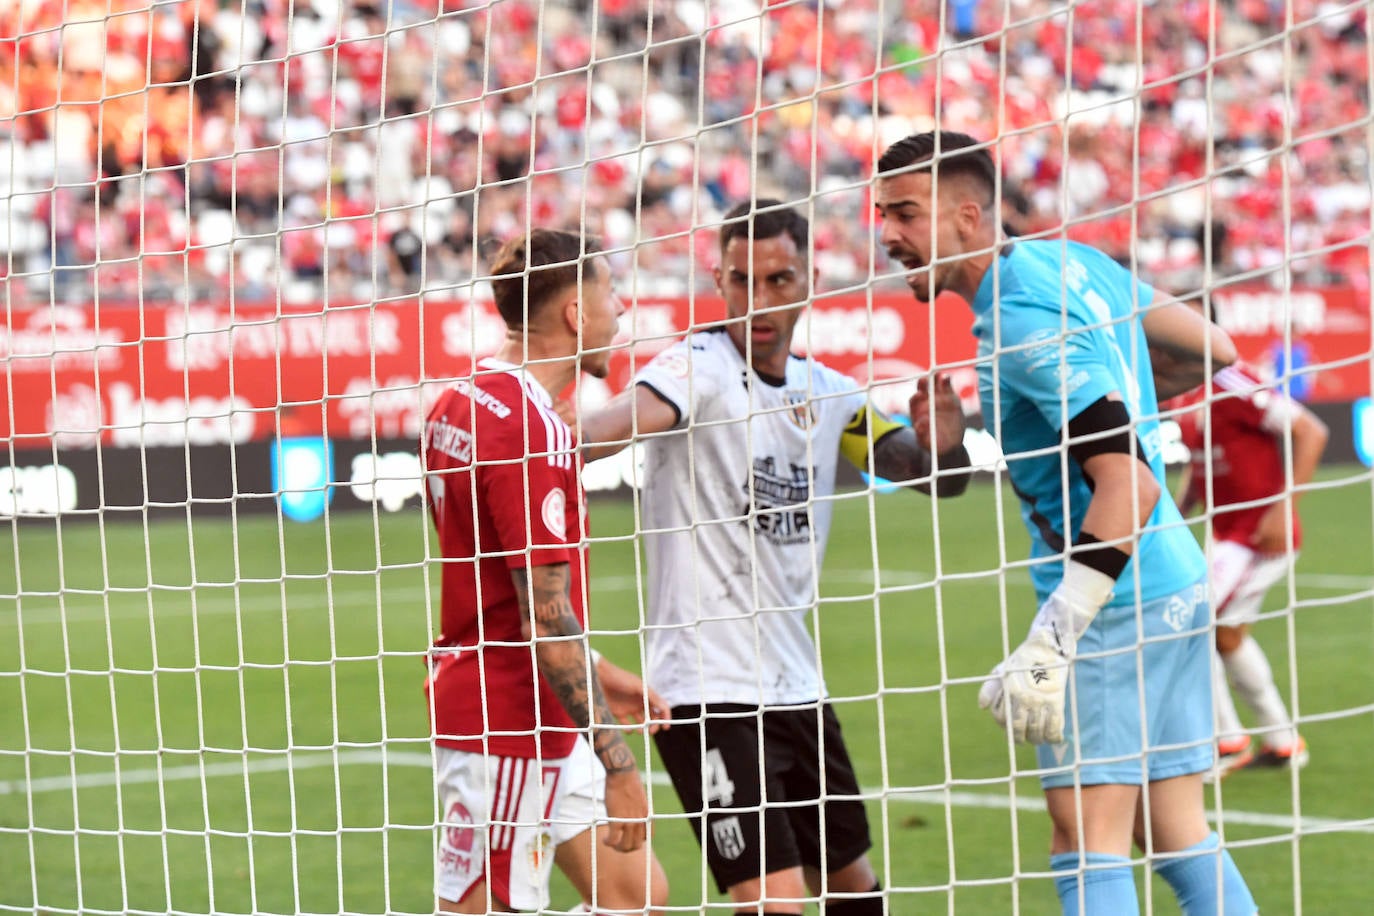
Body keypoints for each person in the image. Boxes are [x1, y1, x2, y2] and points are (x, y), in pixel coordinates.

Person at [873, 131, 1256, 915]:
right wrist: (1131, 397)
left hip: (1116, 602)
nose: (887, 235)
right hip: (1175, 582)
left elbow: (1131, 484)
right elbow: (1214, 348)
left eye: (905, 214)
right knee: (1176, 829)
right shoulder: (1074, 263)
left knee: (1084, 837)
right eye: (882, 214)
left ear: (969, 217)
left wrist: (1054, 638)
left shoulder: (1017, 319)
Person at [575, 199, 972, 915]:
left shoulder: (833, 397)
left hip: (797, 685)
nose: (759, 301)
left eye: (780, 280)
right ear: (718, 280)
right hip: (707, 692)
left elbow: (932, 476)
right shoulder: (694, 369)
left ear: (810, 279)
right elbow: (610, 429)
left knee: (852, 884)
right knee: (775, 903)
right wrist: (546, 426)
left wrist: (945, 444)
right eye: (742, 281)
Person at [421, 228, 660, 913]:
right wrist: (620, 766)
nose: (621, 311)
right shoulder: (532, 429)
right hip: (506, 719)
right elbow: (542, 617)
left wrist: (600, 672)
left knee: (634, 894)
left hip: (539, 703)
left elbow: (491, 581)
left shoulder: (456, 401)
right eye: (612, 293)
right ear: (575, 315)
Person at [1173, 341, 1328, 776]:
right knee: (1226, 637)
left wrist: (1285, 507)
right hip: (1226, 537)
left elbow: (1312, 431)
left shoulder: (1233, 381)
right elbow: (1202, 465)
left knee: (1190, 622)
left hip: (1259, 536)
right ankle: (1282, 742)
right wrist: (1174, 515)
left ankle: (1227, 742)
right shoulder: (1184, 391)